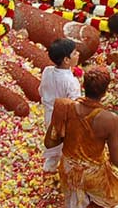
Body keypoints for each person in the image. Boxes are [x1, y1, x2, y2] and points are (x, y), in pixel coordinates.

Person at [45, 66, 118, 208]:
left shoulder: (64, 107)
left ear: (83, 85)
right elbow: (116, 159)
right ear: (105, 92)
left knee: (75, 201)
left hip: (68, 169)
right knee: (106, 198)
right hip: (93, 174)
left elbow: (50, 143)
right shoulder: (110, 120)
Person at [40, 38, 82, 172]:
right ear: (66, 60)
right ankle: (67, 169)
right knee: (67, 143)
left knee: (53, 141)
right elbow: (75, 104)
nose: (78, 54)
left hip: (48, 114)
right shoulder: (71, 81)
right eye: (75, 53)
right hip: (64, 118)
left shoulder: (47, 70)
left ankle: (50, 165)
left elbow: (41, 90)